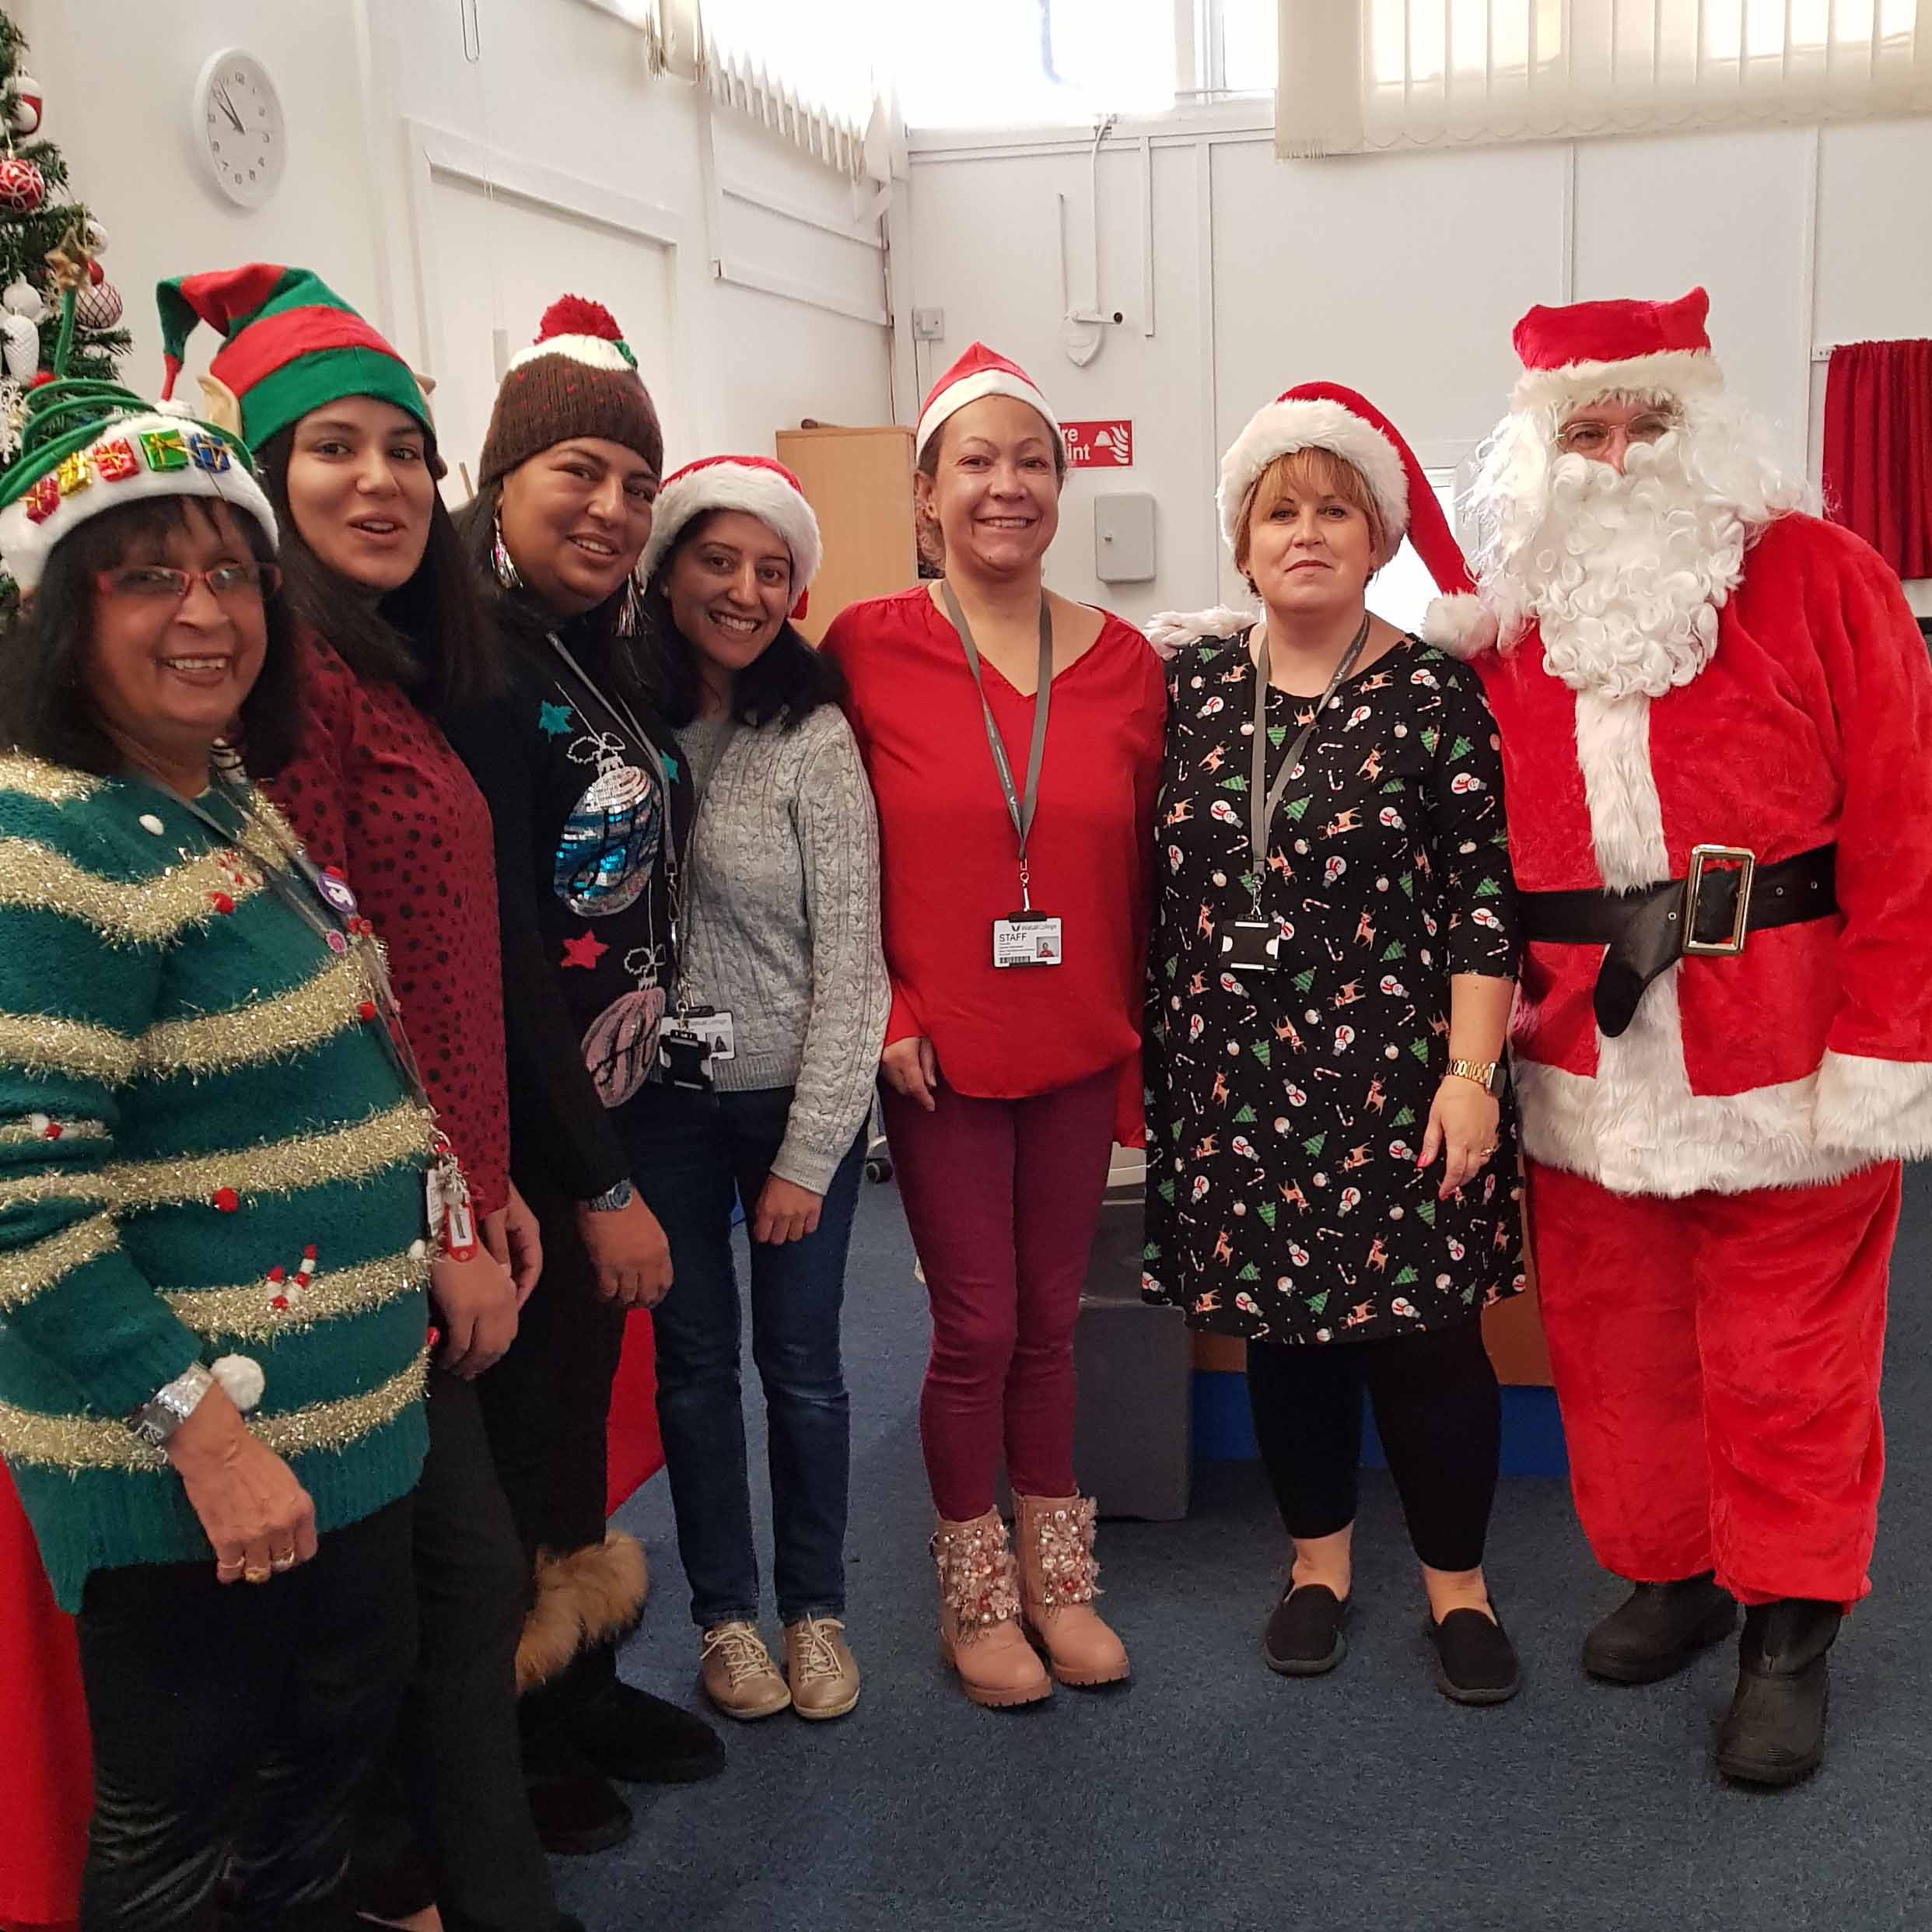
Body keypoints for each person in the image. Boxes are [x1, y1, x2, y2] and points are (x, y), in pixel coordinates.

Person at [1425, 287, 1932, 1783]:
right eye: (1586, 428)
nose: (1619, 454)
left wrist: (1889, 1043)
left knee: (1790, 1361)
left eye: (1648, 422)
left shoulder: (1825, 578)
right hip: (1583, 1059)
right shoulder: (1511, 624)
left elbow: (1906, 825)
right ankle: (1676, 1572)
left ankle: (1789, 1629)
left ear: (1704, 426)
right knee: (1618, 1352)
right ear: (1541, 451)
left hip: (1789, 1058)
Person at [153, 262, 581, 1932]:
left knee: (440, 1592)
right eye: (334, 450)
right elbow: (339, 997)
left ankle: (445, 1890)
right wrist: (445, 1219)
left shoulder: (382, 667)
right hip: (347, 1230)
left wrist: (488, 1179)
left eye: (406, 450)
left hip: (428, 1199)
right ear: (265, 479)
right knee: (421, 1597)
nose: (382, 482)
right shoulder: (289, 693)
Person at [0, 362, 432, 1929]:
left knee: (307, 1806)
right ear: (63, 612)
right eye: (147, 577)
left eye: (230, 574)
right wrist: (208, 1439)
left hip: (342, 1423)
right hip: (197, 1467)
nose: (205, 612)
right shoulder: (50, 845)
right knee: (183, 1840)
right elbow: (24, 1208)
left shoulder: (215, 793)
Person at [1143, 384, 1525, 1705]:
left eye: (1334, 512)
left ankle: (1459, 1590)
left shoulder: (1434, 694)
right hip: (1234, 1083)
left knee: (1430, 1343)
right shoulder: (1187, 691)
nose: (1306, 533)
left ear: (1378, 541)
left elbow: (1483, 903)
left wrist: (1471, 1077)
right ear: (1243, 546)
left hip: (1402, 1083)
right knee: (1286, 1339)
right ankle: (1317, 1568)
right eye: (1279, 513)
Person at [821, 343, 1164, 1709]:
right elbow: (829, 857)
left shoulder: (1127, 663)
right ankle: (976, 1597)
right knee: (974, 1327)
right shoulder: (867, 646)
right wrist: (884, 1009)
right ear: (926, 493)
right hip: (941, 1053)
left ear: (1062, 487)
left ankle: (1057, 1579)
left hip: (1078, 1035)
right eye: (976, 461)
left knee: (1052, 1322)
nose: (1006, 485)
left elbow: (1151, 862)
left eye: (1032, 461)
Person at [443, 295, 723, 1853]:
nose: (612, 510)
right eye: (579, 476)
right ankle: (520, 1729)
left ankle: (584, 1679)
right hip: (531, 1131)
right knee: (516, 1440)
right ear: (503, 481)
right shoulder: (476, 664)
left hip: (608, 1102)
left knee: (569, 1422)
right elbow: (500, 953)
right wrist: (597, 1179)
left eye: (635, 483)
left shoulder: (589, 645)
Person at [628, 455, 887, 1721]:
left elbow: (856, 963)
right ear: (666, 568)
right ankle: (726, 1621)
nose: (743, 591)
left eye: (772, 571)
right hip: (659, 1104)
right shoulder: (620, 720)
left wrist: (809, 1151)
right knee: (692, 1367)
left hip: (793, 1100)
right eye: (717, 561)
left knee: (804, 1369)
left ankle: (814, 1611)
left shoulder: (814, 737)